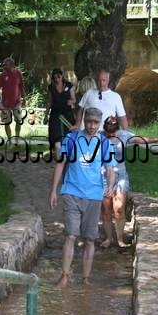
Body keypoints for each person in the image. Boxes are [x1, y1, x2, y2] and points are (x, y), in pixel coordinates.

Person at [49, 107, 117, 287]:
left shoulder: (105, 143)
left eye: (96, 123)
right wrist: (54, 190)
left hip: (94, 195)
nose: (92, 126)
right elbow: (60, 164)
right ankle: (65, 275)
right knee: (70, 235)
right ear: (84, 121)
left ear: (100, 123)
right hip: (72, 192)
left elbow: (110, 169)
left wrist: (110, 185)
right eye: (89, 122)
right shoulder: (71, 139)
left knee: (89, 239)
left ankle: (86, 278)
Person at [100, 116, 146, 249]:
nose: (111, 133)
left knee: (119, 208)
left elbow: (140, 140)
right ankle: (108, 238)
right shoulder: (99, 137)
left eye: (113, 130)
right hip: (103, 176)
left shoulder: (124, 136)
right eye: (108, 130)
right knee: (106, 209)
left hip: (120, 175)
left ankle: (120, 239)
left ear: (117, 128)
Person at [43, 68, 76, 152]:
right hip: (55, 114)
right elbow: (49, 102)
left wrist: (71, 101)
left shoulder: (69, 85)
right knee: (56, 137)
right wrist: (46, 115)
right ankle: (59, 157)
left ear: (62, 76)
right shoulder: (51, 87)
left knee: (68, 135)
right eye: (55, 78)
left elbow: (74, 99)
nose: (57, 79)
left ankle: (68, 154)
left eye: (59, 77)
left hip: (67, 115)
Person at [0, 57, 25, 144]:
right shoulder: (2, 75)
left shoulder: (18, 73)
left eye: (6, 64)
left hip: (17, 102)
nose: (4, 66)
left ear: (12, 65)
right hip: (5, 103)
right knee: (6, 122)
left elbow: (21, 86)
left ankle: (17, 138)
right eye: (4, 64)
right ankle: (10, 140)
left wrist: (24, 97)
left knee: (19, 120)